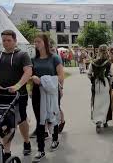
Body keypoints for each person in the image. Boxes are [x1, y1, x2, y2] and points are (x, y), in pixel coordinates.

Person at [0, 30, 32, 160]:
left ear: (15, 41)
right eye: (4, 40)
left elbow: (28, 72)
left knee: (21, 120)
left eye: (9, 40)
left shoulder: (22, 55)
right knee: (3, 122)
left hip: (18, 94)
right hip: (1, 94)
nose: (6, 43)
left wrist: (17, 86)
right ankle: (7, 151)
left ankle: (26, 141)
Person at [31, 33, 64, 161]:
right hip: (37, 93)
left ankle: (55, 139)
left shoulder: (55, 58)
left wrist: (44, 81)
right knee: (40, 120)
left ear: (45, 43)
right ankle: (40, 149)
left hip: (52, 92)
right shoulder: (33, 60)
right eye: (35, 42)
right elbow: (31, 77)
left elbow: (61, 77)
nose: (36, 44)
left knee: (53, 115)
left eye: (38, 41)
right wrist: (32, 83)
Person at [88, 45, 113, 133]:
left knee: (97, 103)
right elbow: (112, 75)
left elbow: (89, 74)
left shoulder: (93, 62)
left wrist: (93, 80)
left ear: (98, 51)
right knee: (105, 103)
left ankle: (98, 122)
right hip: (105, 85)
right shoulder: (109, 63)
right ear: (107, 51)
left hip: (96, 85)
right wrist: (110, 82)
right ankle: (105, 120)